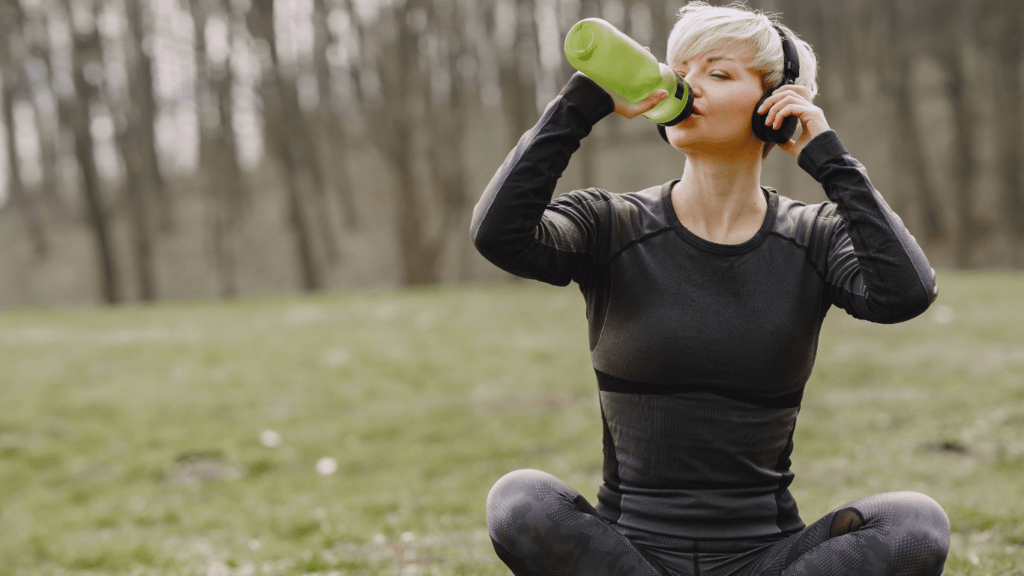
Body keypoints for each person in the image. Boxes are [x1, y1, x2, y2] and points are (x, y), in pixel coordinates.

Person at [470, 2, 950, 576]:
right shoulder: (611, 223)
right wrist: (583, 102)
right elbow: (500, 235)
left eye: (717, 73)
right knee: (519, 499)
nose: (684, 84)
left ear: (775, 109)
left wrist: (830, 161)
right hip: (627, 558)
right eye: (680, 68)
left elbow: (907, 291)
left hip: (766, 558)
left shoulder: (814, 236)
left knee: (916, 523)